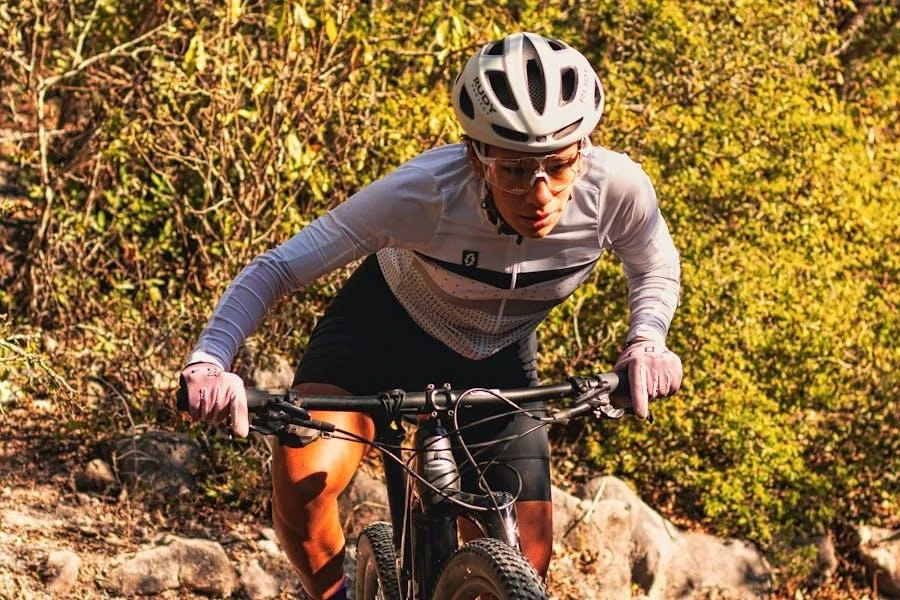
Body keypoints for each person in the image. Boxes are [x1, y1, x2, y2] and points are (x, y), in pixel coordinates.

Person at [179, 32, 682, 600]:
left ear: (584, 149)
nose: (539, 193)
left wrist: (647, 341)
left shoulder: (617, 189)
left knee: (527, 553)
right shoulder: (424, 193)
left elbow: (654, 263)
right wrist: (210, 360)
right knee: (307, 481)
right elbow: (279, 268)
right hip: (381, 333)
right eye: (514, 169)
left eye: (559, 165)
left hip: (497, 356)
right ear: (476, 156)